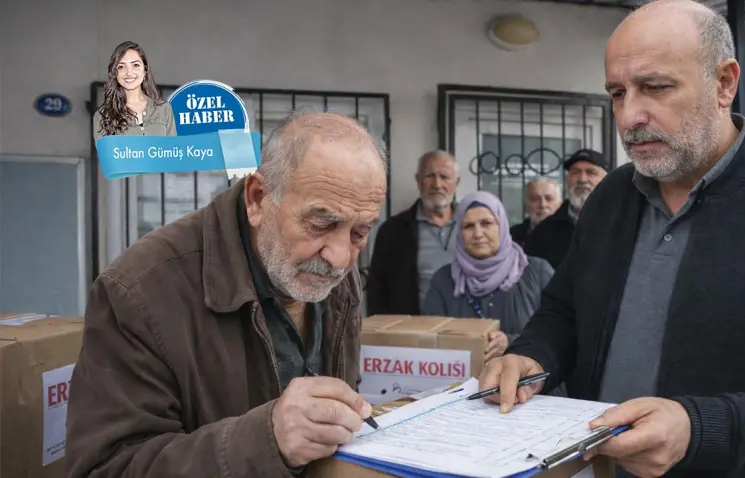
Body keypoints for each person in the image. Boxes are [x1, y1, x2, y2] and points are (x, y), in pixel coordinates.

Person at [478, 1, 745, 478]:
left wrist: (696, 430)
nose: (630, 115)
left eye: (655, 87)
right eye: (617, 92)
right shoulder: (611, 197)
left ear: (724, 83)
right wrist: (534, 355)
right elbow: (565, 311)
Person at [66, 111, 388, 477]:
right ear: (257, 199)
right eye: (320, 223)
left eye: (360, 232)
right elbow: (106, 468)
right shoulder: (139, 291)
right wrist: (265, 440)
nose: (340, 257)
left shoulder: (335, 272)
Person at [423, 191, 554, 363]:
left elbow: (557, 332)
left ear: (502, 226)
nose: (478, 233)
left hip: (527, 384)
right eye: (468, 226)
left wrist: (511, 342)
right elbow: (432, 342)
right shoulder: (444, 280)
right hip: (464, 386)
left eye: (486, 223)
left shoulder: (537, 272)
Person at [367, 150, 460, 315]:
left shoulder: (472, 225)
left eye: (444, 177)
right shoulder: (393, 230)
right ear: (418, 180)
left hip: (467, 329)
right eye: (430, 176)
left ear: (457, 182)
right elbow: (377, 290)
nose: (437, 184)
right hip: (412, 332)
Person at [523, 149, 608, 268]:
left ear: (607, 180)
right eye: (575, 172)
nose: (582, 179)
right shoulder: (544, 232)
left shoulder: (623, 223)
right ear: (567, 180)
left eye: (591, 172)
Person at [93, 41, 176, 142]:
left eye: (135, 65)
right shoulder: (103, 116)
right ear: (115, 73)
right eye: (121, 67)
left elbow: (172, 152)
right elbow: (105, 156)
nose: (129, 72)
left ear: (145, 70)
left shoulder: (164, 108)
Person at [509, 177, 562, 248]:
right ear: (525, 205)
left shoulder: (572, 235)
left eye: (549, 199)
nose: (543, 205)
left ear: (560, 204)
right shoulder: (511, 237)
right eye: (535, 199)